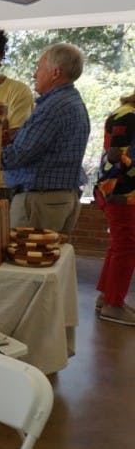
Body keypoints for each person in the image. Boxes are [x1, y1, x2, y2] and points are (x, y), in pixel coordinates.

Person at [1, 43, 90, 236]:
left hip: (40, 202)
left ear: (55, 73)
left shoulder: (53, 107)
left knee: (27, 262)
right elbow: (47, 146)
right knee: (46, 260)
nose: (35, 74)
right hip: (56, 199)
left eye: (39, 68)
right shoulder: (71, 101)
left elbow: (14, 157)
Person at [93, 88, 135, 325]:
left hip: (122, 190)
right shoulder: (128, 115)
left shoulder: (128, 113)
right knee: (127, 246)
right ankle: (114, 304)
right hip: (121, 191)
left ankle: (106, 296)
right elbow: (115, 156)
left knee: (120, 245)